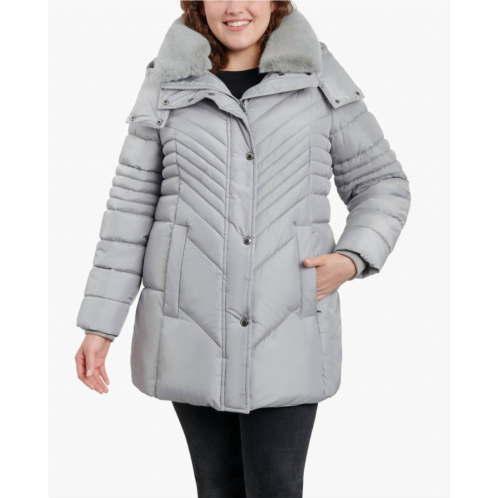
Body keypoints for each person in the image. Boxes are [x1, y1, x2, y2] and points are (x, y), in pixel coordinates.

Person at [75, 1, 411, 496]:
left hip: (288, 327)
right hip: (191, 328)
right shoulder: (167, 83)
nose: (235, 8)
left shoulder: (318, 78)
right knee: (216, 487)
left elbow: (382, 183)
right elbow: (130, 209)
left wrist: (351, 258)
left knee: (276, 487)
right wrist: (100, 325)